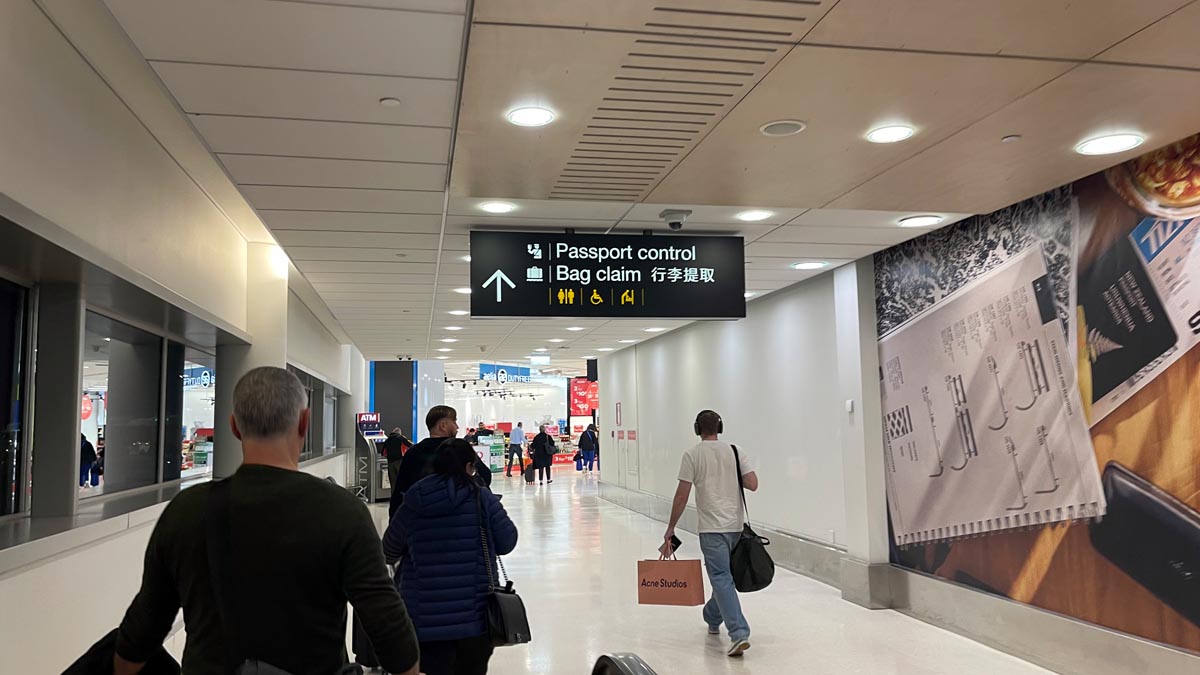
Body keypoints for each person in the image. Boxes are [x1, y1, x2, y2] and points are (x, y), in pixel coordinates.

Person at [113, 366, 420, 675]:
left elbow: (140, 632)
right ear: (304, 422)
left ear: (234, 426)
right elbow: (388, 626)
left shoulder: (187, 510)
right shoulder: (342, 511)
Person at [384, 440, 518, 675]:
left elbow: (388, 548)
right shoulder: (481, 498)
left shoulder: (416, 498)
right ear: (469, 466)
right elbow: (508, 541)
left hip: (424, 620)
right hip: (475, 620)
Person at [661, 410, 759, 658]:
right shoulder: (735, 452)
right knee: (724, 578)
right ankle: (711, 616)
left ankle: (739, 634)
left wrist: (671, 527)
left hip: (711, 529)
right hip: (736, 527)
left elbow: (682, 495)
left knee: (721, 577)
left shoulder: (692, 455)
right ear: (720, 427)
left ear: (697, 429)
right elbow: (753, 483)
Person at [390, 405, 491, 518]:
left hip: (422, 518)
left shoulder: (413, 452)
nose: (457, 427)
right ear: (443, 425)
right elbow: (486, 475)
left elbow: (400, 490)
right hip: (460, 516)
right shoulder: (460, 449)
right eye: (454, 421)